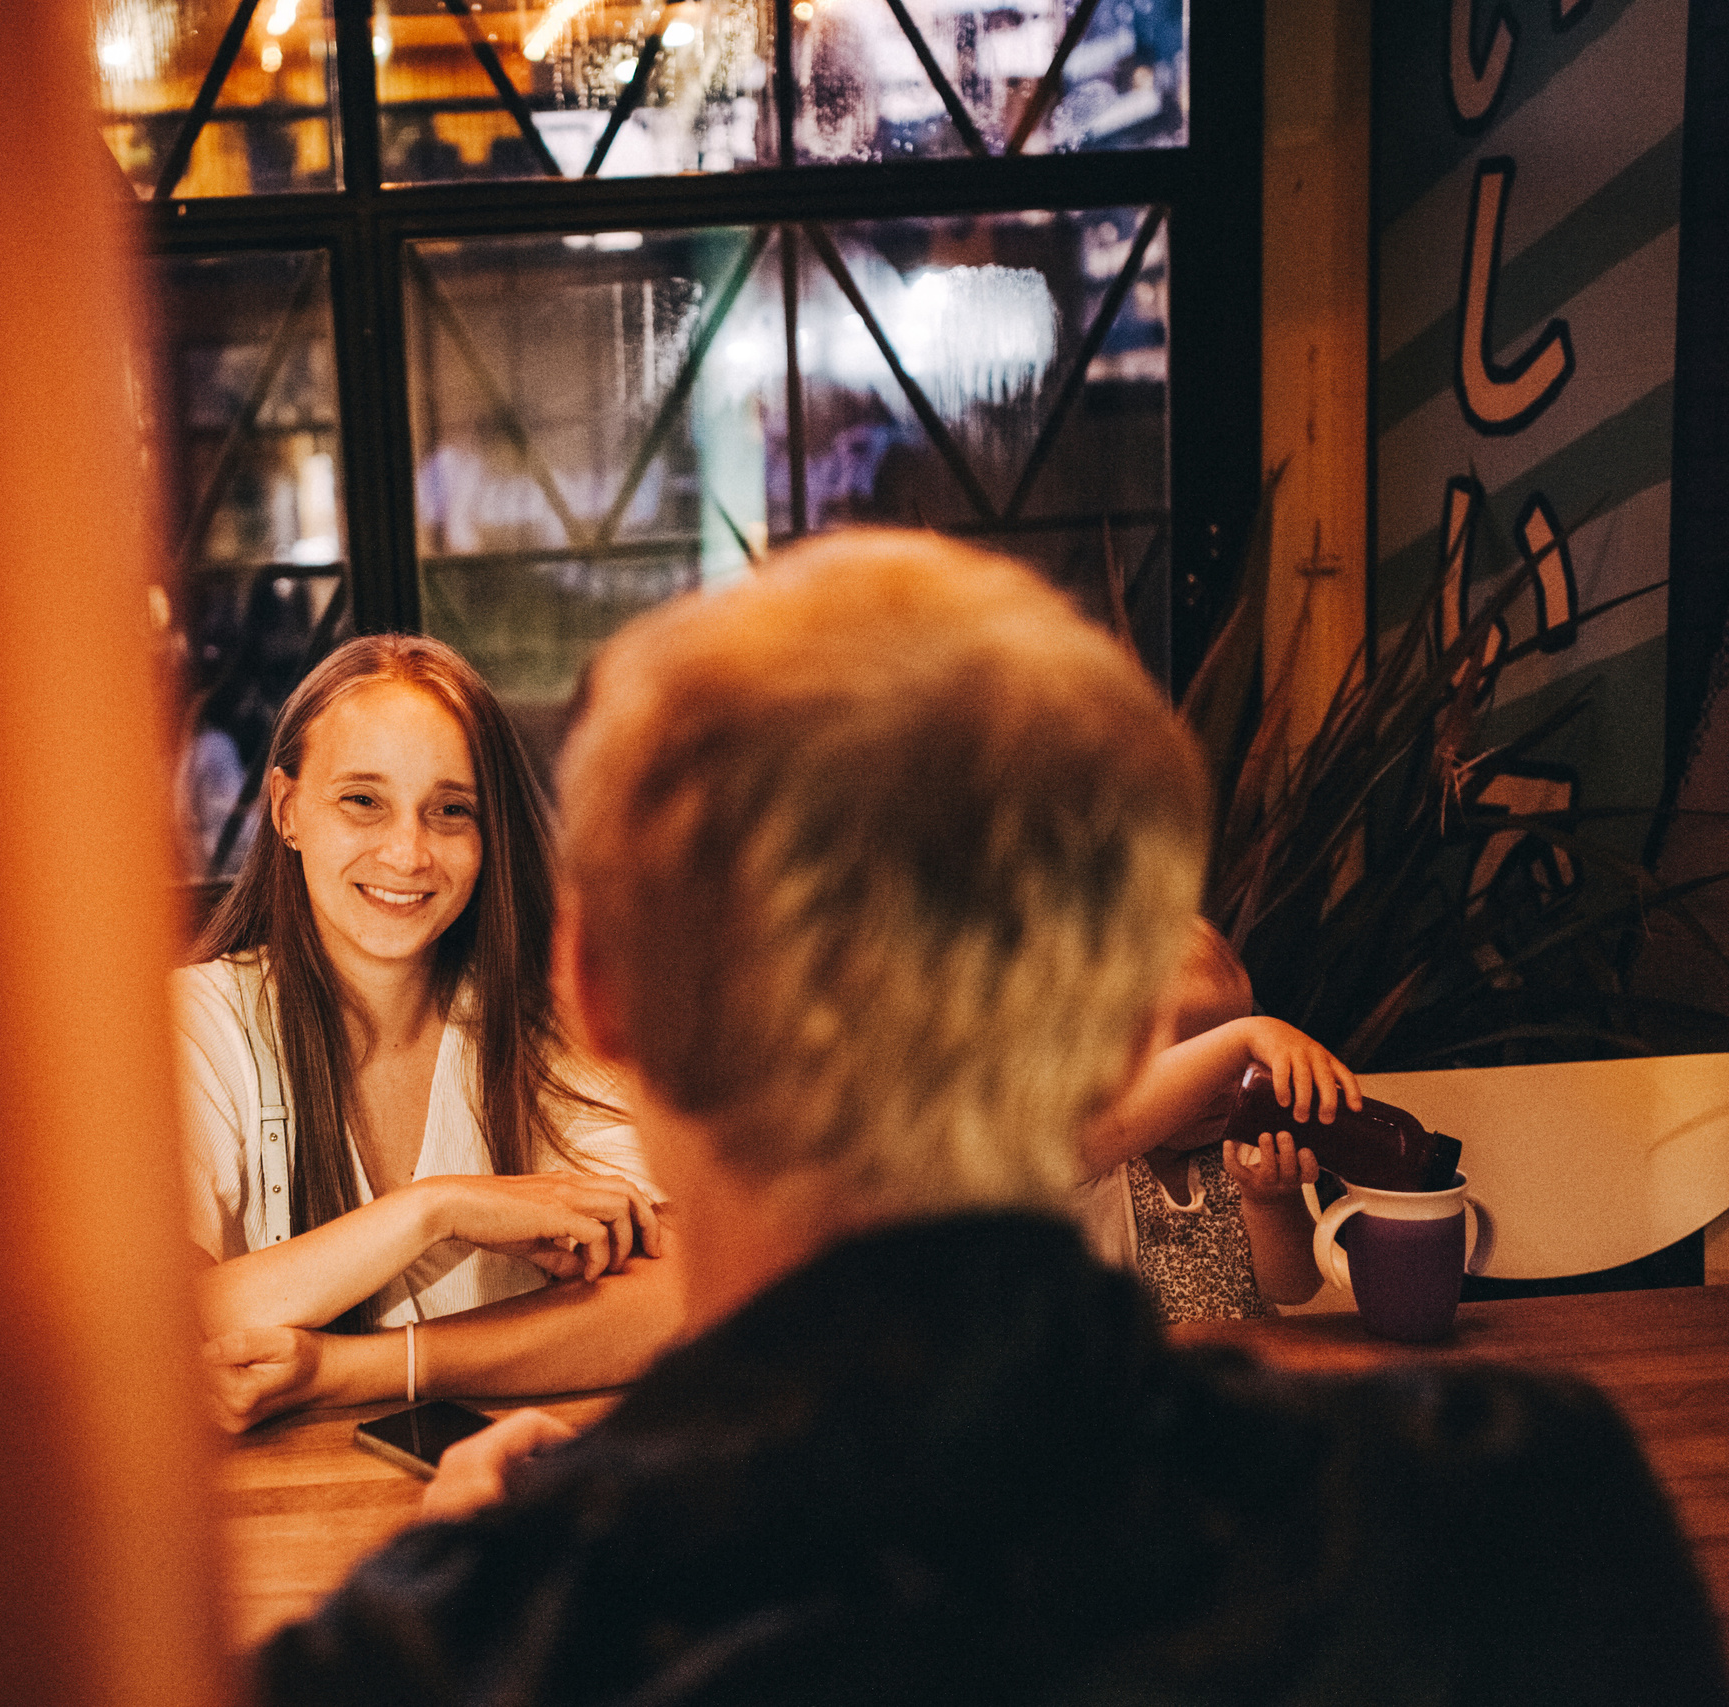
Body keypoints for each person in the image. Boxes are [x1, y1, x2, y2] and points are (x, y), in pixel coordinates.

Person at [258, 531, 1727, 1706]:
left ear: (601, 989)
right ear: (1115, 1020)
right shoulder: (1518, 1510)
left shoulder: (441, 1651)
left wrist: (474, 1569)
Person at [178, 634, 679, 1431]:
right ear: (287, 809)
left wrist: (346, 1370)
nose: (408, 852)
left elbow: (676, 1294)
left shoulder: (543, 1024)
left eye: (450, 811)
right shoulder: (202, 1022)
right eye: (363, 800)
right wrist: (437, 1209)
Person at [1075, 920, 1350, 1319]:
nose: (1233, 1081)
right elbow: (1118, 1123)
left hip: (1241, 1374)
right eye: (1207, 1056)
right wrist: (1246, 1036)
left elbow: (1294, 1288)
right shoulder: (1094, 1155)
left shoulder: (1250, 1150)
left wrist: (1271, 1203)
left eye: (1245, 1061)